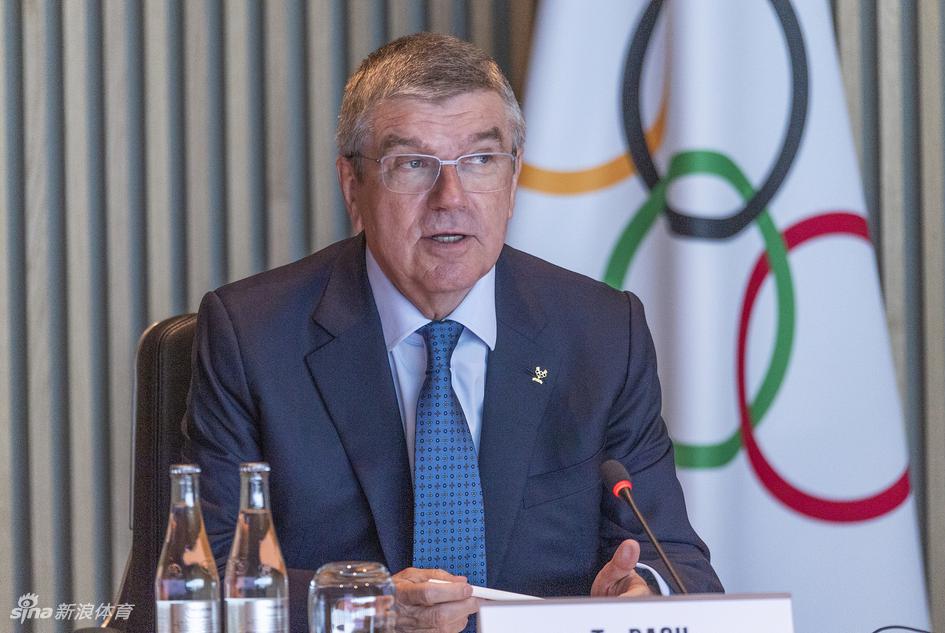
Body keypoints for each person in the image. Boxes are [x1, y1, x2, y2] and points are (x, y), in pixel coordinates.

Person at [185, 32, 722, 633]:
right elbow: (205, 580)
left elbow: (674, 558)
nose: (451, 197)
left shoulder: (600, 332)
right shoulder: (254, 337)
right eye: (413, 164)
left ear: (513, 181)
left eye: (480, 160)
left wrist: (641, 592)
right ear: (352, 185)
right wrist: (369, 605)